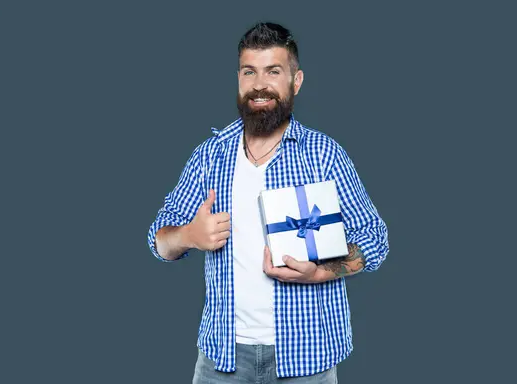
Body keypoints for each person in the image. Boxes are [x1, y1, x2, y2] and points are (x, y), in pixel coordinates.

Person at [147, 22, 389, 383]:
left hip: (307, 357)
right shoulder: (209, 156)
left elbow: (375, 237)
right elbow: (159, 241)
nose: (259, 85)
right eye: (249, 72)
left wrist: (322, 272)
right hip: (221, 360)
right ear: (239, 79)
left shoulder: (324, 155)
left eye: (273, 71)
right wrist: (188, 236)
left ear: (296, 81)